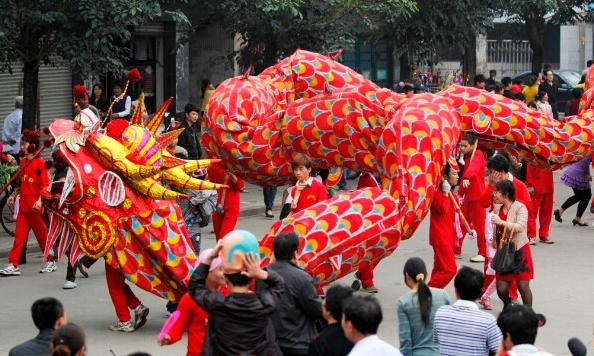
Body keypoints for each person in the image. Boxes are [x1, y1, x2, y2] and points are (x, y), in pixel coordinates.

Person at [188, 242, 284, 355]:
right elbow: (279, 283)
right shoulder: (264, 305)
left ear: (226, 280)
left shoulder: (218, 304)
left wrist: (209, 259)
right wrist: (260, 273)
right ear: (250, 279)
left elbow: (195, 287)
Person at [0, 132, 57, 276]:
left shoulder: (41, 164)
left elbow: (45, 185)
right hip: (24, 206)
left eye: (25, 143)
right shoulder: (24, 162)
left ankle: (51, 259)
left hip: (35, 206)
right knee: (19, 236)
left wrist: (39, 200)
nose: (22, 146)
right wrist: (13, 195)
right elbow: (21, 184)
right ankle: (13, 264)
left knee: (42, 236)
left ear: (33, 146)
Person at [158, 249, 227, 356]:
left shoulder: (229, 295)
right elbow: (179, 321)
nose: (226, 273)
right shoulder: (189, 298)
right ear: (206, 271)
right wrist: (169, 336)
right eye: (221, 269)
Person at [266, 232, 323, 356]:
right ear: (296, 253)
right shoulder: (301, 277)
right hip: (298, 344)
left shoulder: (263, 274)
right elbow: (316, 309)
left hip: (271, 343)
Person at [433, 266, 502, 356]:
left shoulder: (441, 313)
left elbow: (437, 341)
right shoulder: (488, 321)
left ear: (456, 291)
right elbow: (499, 350)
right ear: (479, 293)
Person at [490, 180, 533, 308]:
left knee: (523, 286)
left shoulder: (520, 207)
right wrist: (494, 239)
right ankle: (508, 305)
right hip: (504, 250)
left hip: (519, 250)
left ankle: (528, 313)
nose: (494, 195)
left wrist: (502, 223)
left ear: (506, 194)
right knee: (501, 288)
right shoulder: (497, 207)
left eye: (497, 192)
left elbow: (520, 227)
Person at [428, 164, 472, 288]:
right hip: (440, 236)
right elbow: (441, 208)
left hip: (448, 235)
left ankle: (432, 294)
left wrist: (470, 229)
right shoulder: (437, 193)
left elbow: (457, 217)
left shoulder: (452, 194)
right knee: (450, 269)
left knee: (439, 268)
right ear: (445, 176)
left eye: (458, 174)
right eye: (454, 174)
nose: (457, 177)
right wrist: (445, 193)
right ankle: (425, 292)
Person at [398, 257, 452, 356]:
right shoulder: (443, 295)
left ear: (407, 276)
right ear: (426, 275)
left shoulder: (404, 302)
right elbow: (451, 329)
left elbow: (405, 339)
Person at [456, 135, 486, 263]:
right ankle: (456, 249)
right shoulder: (469, 157)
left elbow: (473, 169)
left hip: (478, 196)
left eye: (464, 146)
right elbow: (464, 177)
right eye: (460, 145)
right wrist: (461, 192)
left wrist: (467, 177)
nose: (461, 148)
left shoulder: (478, 154)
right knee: (461, 223)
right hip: (469, 196)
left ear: (472, 146)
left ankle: (483, 252)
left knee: (480, 226)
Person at [309, 285, 354, 356]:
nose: (322, 302)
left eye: (325, 300)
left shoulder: (319, 342)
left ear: (328, 311)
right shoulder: (356, 336)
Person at [208, 162, 244, 241]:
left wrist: (233, 176)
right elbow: (210, 182)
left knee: (224, 237)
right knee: (218, 238)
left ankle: (224, 252)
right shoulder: (213, 166)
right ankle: (222, 253)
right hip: (216, 204)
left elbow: (239, 186)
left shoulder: (236, 165)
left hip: (232, 205)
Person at [555, 156, 592, 227]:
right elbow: (585, 160)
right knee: (586, 196)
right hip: (578, 174)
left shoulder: (587, 146)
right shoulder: (591, 148)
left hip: (573, 171)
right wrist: (588, 174)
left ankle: (560, 211)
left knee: (579, 196)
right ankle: (577, 218)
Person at [525, 165, 554, 245]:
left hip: (548, 186)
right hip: (536, 186)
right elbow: (529, 167)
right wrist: (530, 184)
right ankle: (531, 235)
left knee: (547, 212)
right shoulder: (533, 154)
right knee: (532, 212)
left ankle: (544, 234)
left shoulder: (550, 155)